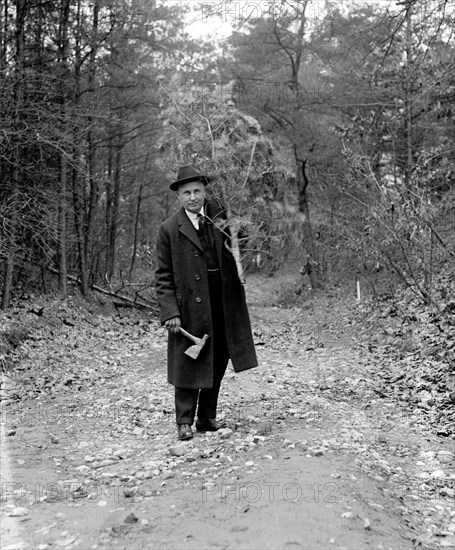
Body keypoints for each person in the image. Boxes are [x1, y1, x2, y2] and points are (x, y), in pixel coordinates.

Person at [155, 164, 258, 440]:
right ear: (178, 196)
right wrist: (170, 312)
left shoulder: (220, 217)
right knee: (189, 360)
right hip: (189, 305)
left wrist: (239, 231)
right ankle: (184, 421)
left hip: (223, 299)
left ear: (205, 192)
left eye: (197, 191)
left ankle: (206, 417)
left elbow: (241, 242)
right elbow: (163, 276)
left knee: (219, 356)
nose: (193, 197)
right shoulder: (169, 230)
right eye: (187, 192)